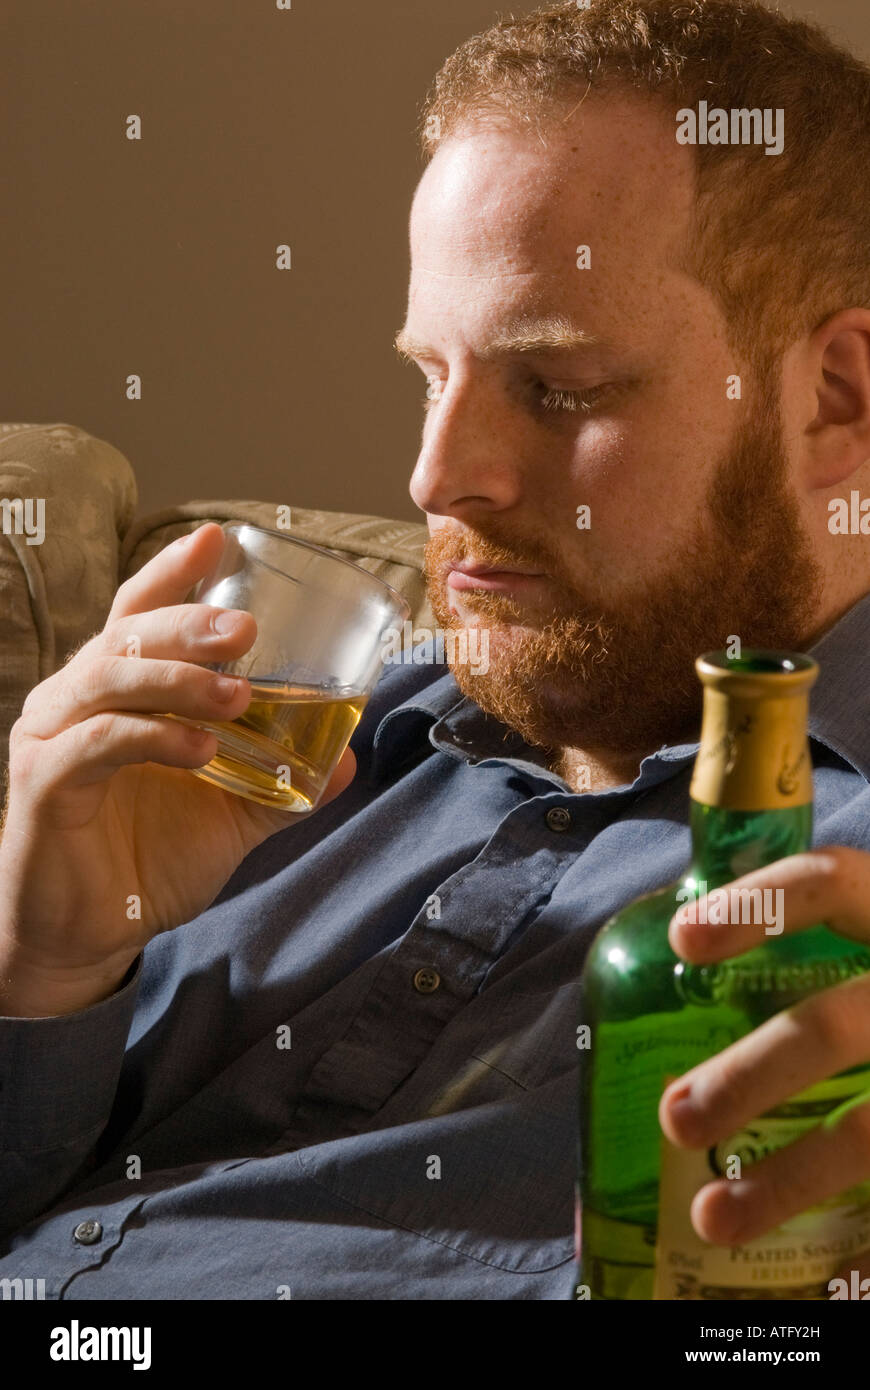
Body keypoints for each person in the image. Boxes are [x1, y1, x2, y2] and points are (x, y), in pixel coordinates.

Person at [2, 0, 870, 1300]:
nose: (435, 474)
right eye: (429, 374)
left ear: (835, 399)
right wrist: (48, 966)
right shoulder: (282, 746)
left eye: (559, 388)